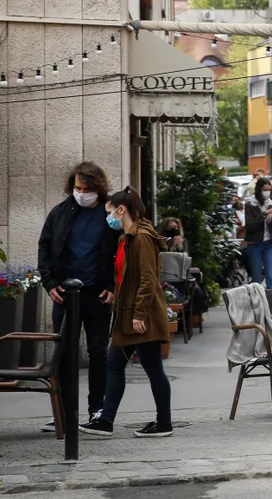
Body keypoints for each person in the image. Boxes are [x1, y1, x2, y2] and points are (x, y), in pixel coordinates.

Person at [80, 187, 173, 438]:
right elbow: (125, 277)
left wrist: (139, 314)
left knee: (151, 367)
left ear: (122, 210)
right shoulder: (127, 238)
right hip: (127, 314)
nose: (108, 218)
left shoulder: (141, 237)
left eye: (110, 212)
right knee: (115, 364)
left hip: (140, 316)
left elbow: (148, 279)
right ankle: (106, 421)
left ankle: (163, 423)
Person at [38, 161, 117, 431]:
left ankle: (97, 410)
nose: (81, 192)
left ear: (98, 188)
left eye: (86, 188)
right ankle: (62, 411)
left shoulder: (110, 215)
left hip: (97, 294)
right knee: (64, 354)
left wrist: (113, 286)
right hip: (65, 294)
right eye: (77, 187)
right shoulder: (60, 213)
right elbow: (45, 247)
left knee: (98, 353)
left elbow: (120, 252)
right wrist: (49, 283)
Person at [243, 177, 272, 310]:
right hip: (255, 244)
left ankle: (271, 306)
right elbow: (250, 226)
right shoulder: (250, 204)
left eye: (269, 190)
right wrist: (263, 214)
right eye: (264, 190)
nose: (267, 192)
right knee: (256, 278)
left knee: (271, 277)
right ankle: (257, 307)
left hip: (270, 244)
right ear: (259, 190)